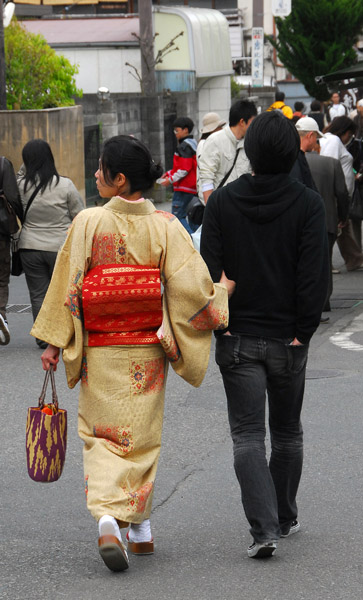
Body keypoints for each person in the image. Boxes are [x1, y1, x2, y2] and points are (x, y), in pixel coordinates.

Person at [32, 135, 228, 573]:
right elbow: (189, 291)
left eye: (102, 170)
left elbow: (68, 288)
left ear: (120, 181)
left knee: (101, 437)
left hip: (100, 353)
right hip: (145, 356)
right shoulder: (164, 226)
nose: (97, 175)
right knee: (140, 441)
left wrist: (53, 342)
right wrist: (220, 295)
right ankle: (139, 530)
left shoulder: (87, 222)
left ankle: (109, 520)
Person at [201, 111, 329, 559]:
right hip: (288, 338)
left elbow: (208, 274)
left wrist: (224, 323)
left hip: (237, 336)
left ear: (248, 151)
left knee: (248, 435)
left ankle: (264, 529)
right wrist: (303, 331)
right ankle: (285, 515)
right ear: (294, 150)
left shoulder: (221, 203)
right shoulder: (308, 204)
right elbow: (315, 275)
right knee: (288, 431)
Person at [17, 139, 84, 349]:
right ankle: (64, 333)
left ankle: (42, 336)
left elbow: (16, 179)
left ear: (27, 161)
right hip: (60, 248)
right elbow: (79, 216)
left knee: (38, 294)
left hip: (29, 247)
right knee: (64, 292)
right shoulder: (65, 185)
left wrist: (26, 164)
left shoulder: (21, 186)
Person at [306, 146, 350, 311]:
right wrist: (343, 216)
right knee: (325, 262)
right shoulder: (332, 163)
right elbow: (342, 193)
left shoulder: (292, 163)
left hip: (301, 221)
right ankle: (324, 302)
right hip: (327, 221)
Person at [320, 117, 363, 270]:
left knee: (342, 226)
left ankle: (354, 259)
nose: (349, 139)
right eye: (349, 135)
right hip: (337, 191)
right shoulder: (333, 141)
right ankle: (329, 262)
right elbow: (330, 164)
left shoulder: (330, 140)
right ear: (344, 132)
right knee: (336, 226)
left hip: (339, 191)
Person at [198, 99, 257, 204]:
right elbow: (206, 179)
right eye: (253, 122)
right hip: (221, 207)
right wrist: (211, 210)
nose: (255, 126)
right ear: (242, 122)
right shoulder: (215, 141)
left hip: (242, 206)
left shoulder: (250, 142)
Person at [160, 116, 198, 234]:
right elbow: (181, 167)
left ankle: (192, 241)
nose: (175, 133)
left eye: (177, 130)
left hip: (183, 188)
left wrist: (170, 180)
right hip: (191, 187)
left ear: (185, 130)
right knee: (192, 216)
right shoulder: (192, 144)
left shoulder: (184, 146)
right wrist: (169, 174)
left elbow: (184, 169)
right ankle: (198, 239)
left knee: (177, 217)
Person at [0, 157, 23, 345]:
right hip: (0, 230)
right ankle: (0, 315)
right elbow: (13, 197)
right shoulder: (2, 164)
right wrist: (21, 219)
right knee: (1, 277)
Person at [196, 112, 226, 205]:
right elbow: (206, 173)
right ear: (213, 129)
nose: (222, 129)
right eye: (219, 127)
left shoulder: (211, 142)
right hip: (208, 195)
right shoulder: (204, 144)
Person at [290, 116, 321, 190]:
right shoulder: (297, 158)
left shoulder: (291, 154)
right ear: (310, 136)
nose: (315, 142)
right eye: (316, 137)